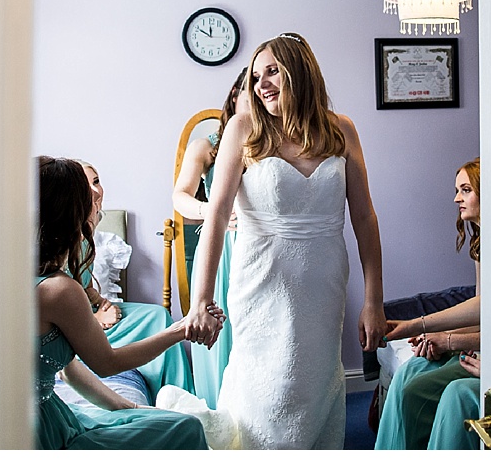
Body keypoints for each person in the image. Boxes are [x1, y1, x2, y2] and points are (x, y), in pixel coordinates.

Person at [179, 33, 386, 449]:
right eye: (256, 76)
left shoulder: (341, 130)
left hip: (324, 284)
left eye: (271, 71)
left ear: (301, 70)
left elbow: (363, 217)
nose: (261, 84)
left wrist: (373, 300)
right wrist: (199, 300)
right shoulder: (243, 128)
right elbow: (217, 215)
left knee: (315, 382)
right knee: (269, 388)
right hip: (261, 281)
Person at [34, 155, 215, 450]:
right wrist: (181, 329)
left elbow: (67, 368)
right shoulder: (59, 290)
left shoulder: (25, 273)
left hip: (49, 410)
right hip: (39, 427)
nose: (96, 196)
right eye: (86, 195)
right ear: (69, 214)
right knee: (186, 428)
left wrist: (126, 409)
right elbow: (107, 363)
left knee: (155, 316)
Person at [373, 159, 486, 450]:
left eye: (465, 190)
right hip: (481, 339)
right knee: (408, 373)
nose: (456, 198)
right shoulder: (479, 244)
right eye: (456, 190)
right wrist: (423, 330)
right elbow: (483, 309)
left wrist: (451, 341)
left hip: (490, 348)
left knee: (417, 392)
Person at [70, 160, 192, 398]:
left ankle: (180, 400)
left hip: (91, 310)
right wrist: (95, 318)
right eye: (86, 186)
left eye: (96, 182)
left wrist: (100, 300)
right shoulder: (64, 238)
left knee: (158, 316)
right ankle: (175, 399)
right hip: (74, 326)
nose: (95, 191)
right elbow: (56, 295)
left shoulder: (90, 229)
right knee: (156, 327)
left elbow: (82, 284)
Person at [168, 73, 245, 406]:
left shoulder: (273, 144)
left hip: (261, 248)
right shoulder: (207, 146)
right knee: (221, 334)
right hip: (223, 250)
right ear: (234, 96)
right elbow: (180, 196)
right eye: (248, 97)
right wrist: (214, 210)